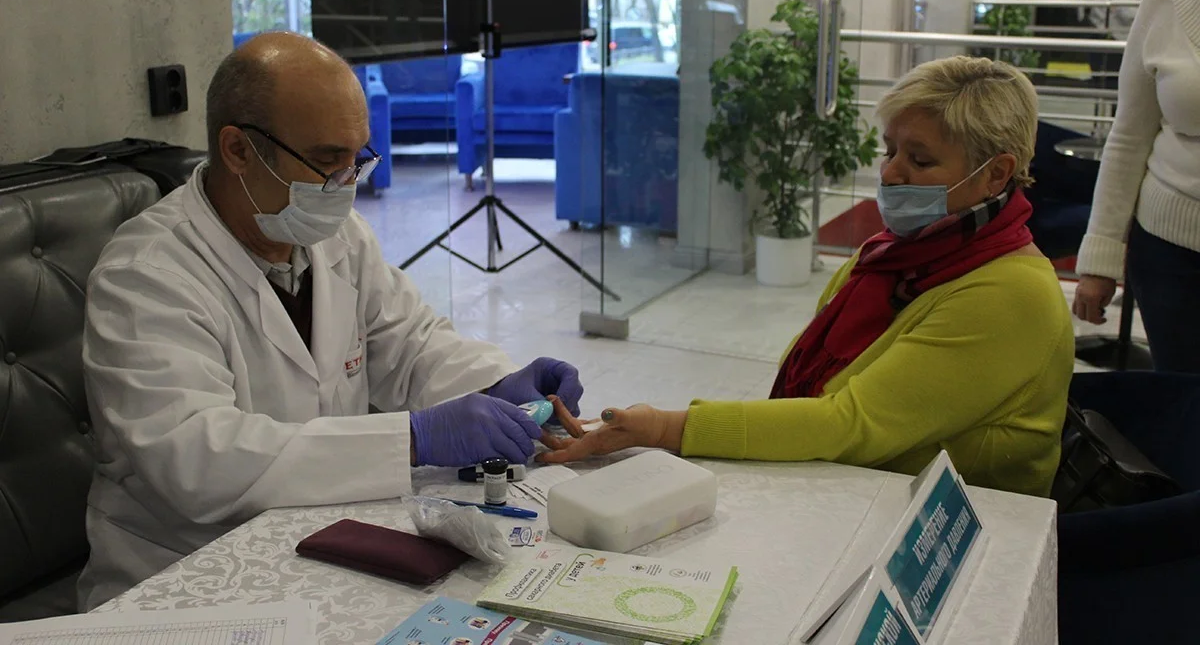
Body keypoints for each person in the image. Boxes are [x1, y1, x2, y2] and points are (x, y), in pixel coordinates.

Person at [77, 32, 583, 609]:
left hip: (322, 541)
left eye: (356, 159)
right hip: (182, 579)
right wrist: (415, 438)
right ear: (238, 150)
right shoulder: (146, 275)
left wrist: (498, 388)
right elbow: (198, 459)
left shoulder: (337, 237)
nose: (346, 184)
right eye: (325, 160)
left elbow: (412, 344)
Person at [540, 56, 1074, 498]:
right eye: (890, 150)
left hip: (951, 532)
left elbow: (849, 423)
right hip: (859, 486)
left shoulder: (1011, 294)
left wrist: (665, 428)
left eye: (920, 160)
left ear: (996, 173)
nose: (890, 173)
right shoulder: (890, 255)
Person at [1073, 0, 1200, 374]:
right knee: (1182, 398)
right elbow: (1128, 138)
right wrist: (1099, 258)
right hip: (1171, 251)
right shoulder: (1161, 4)